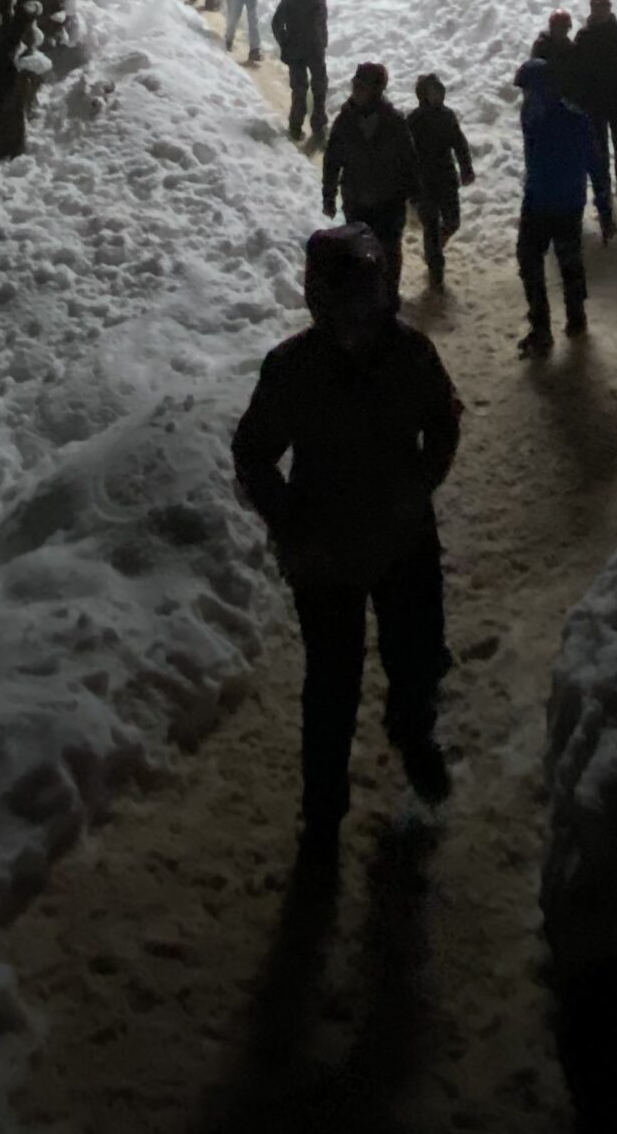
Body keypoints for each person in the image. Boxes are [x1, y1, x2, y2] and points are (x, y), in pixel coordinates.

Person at [232, 225, 462, 847]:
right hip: (329, 551)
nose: (357, 318)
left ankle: (413, 738)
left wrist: (417, 486)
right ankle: (324, 808)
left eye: (366, 301)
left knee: (413, 657)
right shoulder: (296, 369)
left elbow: (444, 423)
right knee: (333, 682)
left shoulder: (408, 356)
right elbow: (253, 454)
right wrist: (292, 526)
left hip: (398, 540)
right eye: (346, 303)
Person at [513, 54, 613, 357]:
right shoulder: (557, 117)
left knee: (545, 261)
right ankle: (567, 319)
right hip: (557, 202)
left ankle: (553, 323)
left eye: (529, 90)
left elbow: (595, 164)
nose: (526, 97)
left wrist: (604, 206)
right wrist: (602, 205)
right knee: (557, 262)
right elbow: (596, 165)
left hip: (552, 203)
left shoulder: (564, 120)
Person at [322, 63, 423, 302]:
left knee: (389, 251)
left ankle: (388, 299)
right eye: (355, 84)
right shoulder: (345, 121)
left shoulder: (394, 121)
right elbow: (332, 160)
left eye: (362, 85)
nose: (356, 90)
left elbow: (408, 159)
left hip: (389, 201)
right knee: (360, 253)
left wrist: (416, 194)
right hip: (356, 201)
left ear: (377, 90)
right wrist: (329, 194)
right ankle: (365, 300)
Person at [407, 73, 476, 287]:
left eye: (439, 91)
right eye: (431, 92)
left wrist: (466, 169)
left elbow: (459, 143)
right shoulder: (414, 120)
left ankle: (435, 250)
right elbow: (405, 153)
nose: (436, 96)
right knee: (431, 226)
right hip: (424, 182)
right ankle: (436, 270)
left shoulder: (447, 116)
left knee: (452, 221)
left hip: (446, 178)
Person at [571, 0, 617, 200]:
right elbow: (577, 70)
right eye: (597, 7)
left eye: (603, 7)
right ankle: (605, 190)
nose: (600, 11)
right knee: (599, 148)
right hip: (595, 101)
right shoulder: (585, 36)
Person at [271, 0, 330, 141]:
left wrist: (323, 40)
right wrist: (285, 43)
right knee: (300, 90)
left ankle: (318, 125)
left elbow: (322, 21)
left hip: (315, 50)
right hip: (296, 51)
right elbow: (277, 23)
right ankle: (295, 125)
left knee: (320, 88)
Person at [530, 8, 576, 86]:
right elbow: (535, 69)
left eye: (565, 27)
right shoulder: (541, 45)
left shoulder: (569, 47)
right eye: (560, 27)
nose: (563, 31)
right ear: (552, 26)